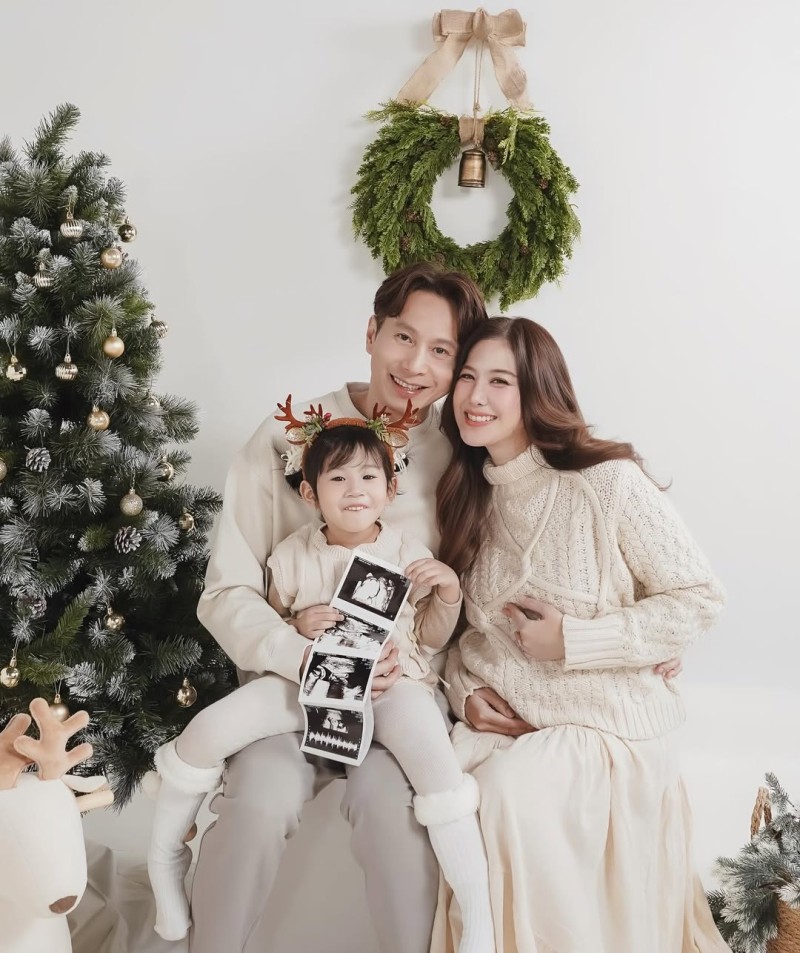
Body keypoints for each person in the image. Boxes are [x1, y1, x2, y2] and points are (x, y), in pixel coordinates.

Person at [184, 262, 488, 953]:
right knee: (257, 802)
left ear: (457, 367)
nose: (416, 365)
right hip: (292, 697)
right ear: (372, 333)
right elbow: (228, 590)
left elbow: (467, 597)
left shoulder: (460, 458)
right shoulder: (286, 436)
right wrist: (301, 655)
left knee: (395, 813)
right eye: (404, 337)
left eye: (441, 350)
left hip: (399, 700)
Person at [431, 316, 730, 953]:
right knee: (439, 797)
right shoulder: (465, 495)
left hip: (607, 727)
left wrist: (576, 641)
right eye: (467, 377)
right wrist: (464, 693)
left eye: (500, 381)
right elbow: (461, 636)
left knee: (507, 796)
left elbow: (698, 598)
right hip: (513, 724)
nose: (475, 397)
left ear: (538, 390)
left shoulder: (606, 481)